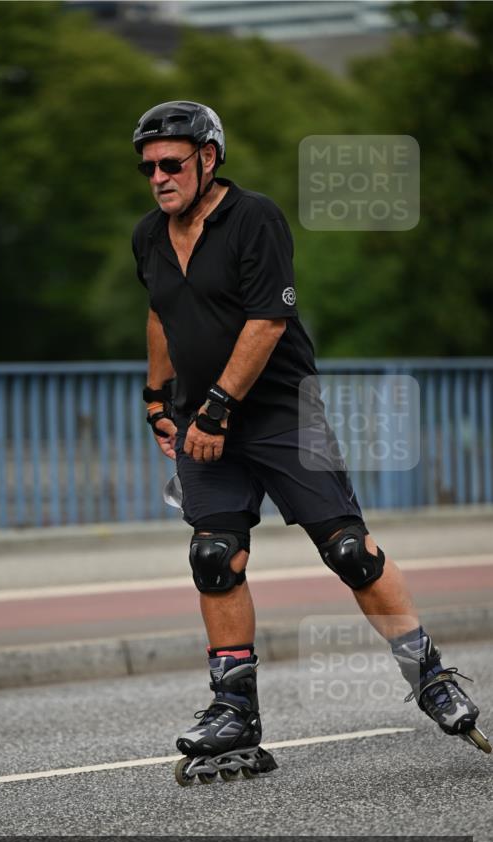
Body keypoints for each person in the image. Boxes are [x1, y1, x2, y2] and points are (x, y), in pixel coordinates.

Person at [130, 101, 490, 783]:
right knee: (213, 556)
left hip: (279, 417)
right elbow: (159, 312)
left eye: (170, 163)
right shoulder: (149, 235)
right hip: (202, 422)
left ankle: (430, 677)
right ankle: (234, 712)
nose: (157, 177)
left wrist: (213, 410)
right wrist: (156, 399)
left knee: (349, 551)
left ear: (208, 158)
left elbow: (266, 322)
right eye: (147, 167)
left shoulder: (254, 219)